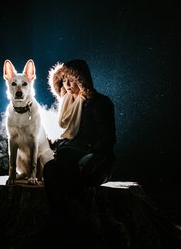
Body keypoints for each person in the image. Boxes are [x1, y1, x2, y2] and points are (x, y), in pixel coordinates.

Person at [43, 59, 117, 220]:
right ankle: (60, 217)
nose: (68, 84)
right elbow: (68, 139)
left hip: (96, 164)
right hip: (69, 158)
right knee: (49, 168)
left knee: (64, 158)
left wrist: (93, 160)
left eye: (72, 79)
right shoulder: (67, 105)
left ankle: (79, 216)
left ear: (82, 79)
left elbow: (108, 138)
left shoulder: (99, 102)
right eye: (64, 80)